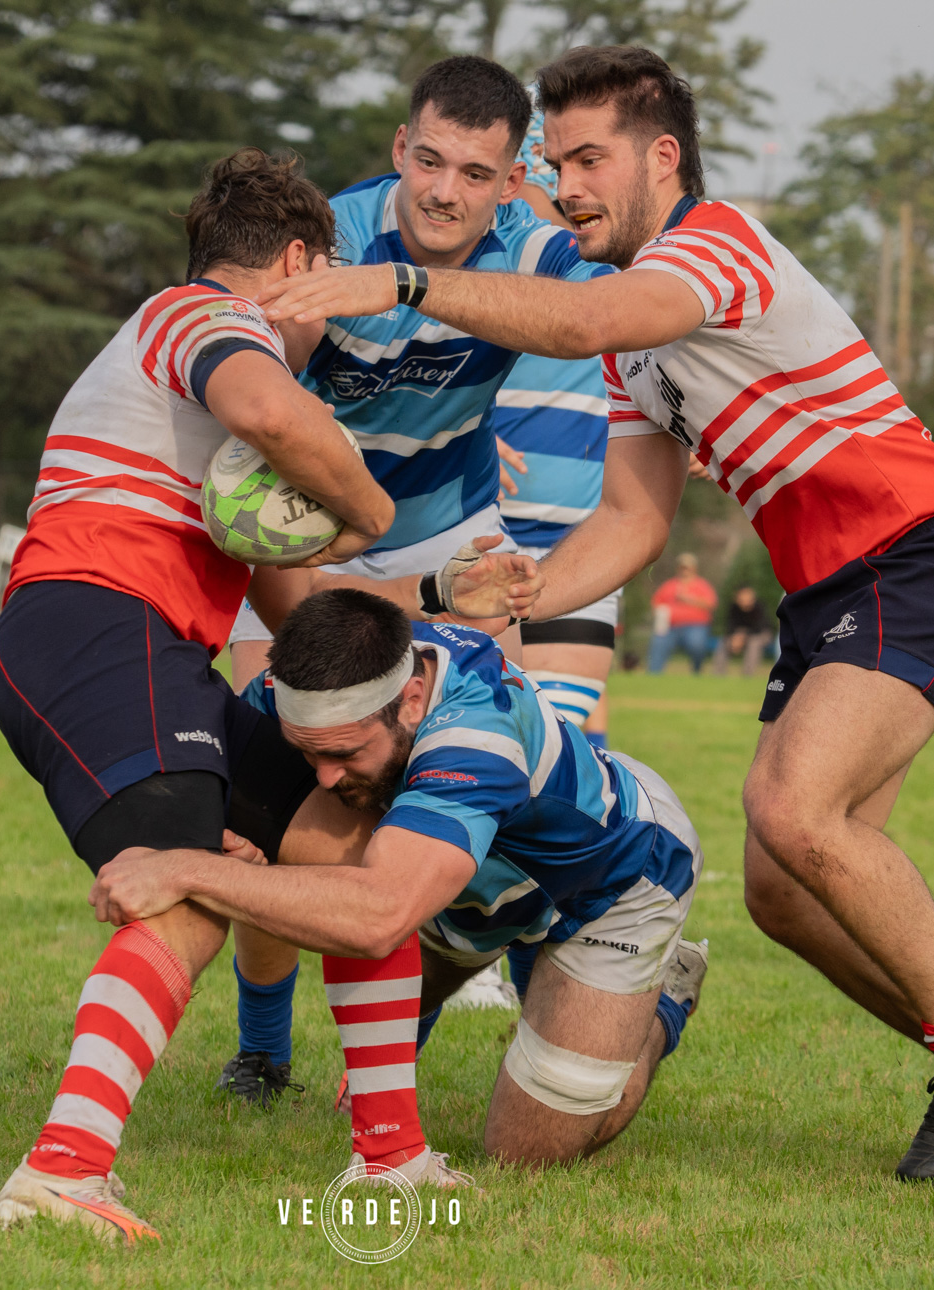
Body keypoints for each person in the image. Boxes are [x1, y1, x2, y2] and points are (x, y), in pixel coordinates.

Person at [261, 44, 934, 1180]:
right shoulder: (637, 349)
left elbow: (581, 321)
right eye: (555, 163)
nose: (567, 186)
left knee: (795, 810)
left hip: (920, 554)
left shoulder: (714, 247)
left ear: (664, 155)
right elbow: (632, 521)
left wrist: (402, 281)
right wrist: (519, 594)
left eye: (588, 158)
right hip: (830, 593)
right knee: (782, 894)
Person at [0, 148, 534, 1242]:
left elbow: (298, 609)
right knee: (186, 889)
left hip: (151, 648)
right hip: (94, 622)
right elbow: (289, 427)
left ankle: (393, 1159)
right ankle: (62, 1170)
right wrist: (373, 504)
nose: (326, 321)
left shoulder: (211, 412)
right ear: (293, 266)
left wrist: (432, 590)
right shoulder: (200, 318)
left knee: (342, 848)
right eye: (324, 286)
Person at [217, 55, 613, 1107]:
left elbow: (612, 322)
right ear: (400, 148)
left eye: (477, 174)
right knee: (279, 816)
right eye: (429, 160)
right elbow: (255, 382)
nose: (446, 190)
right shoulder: (332, 243)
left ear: (509, 178)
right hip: (312, 546)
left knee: (513, 782)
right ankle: (263, 1048)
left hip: (458, 542)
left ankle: (554, 1014)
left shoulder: (535, 250)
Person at [91, 589, 709, 1169]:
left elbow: (379, 914)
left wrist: (188, 870)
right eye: (308, 754)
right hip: (466, 884)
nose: (324, 778)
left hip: (614, 881)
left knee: (523, 1153)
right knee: (365, 1078)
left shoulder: (476, 735)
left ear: (413, 700)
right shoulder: (305, 684)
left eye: (345, 754)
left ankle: (664, 1004)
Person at [494, 101, 620, 750]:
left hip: (583, 539)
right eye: (552, 172)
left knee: (557, 751)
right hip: (472, 535)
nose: (570, 191)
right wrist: (457, 430)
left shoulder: (619, 263)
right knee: (486, 742)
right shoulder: (477, 260)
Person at [646, 553, 716, 673]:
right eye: (682, 567)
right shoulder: (669, 585)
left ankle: (697, 671)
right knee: (658, 642)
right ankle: (653, 675)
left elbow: (711, 604)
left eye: (687, 567)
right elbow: (656, 603)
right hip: (670, 627)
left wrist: (689, 599)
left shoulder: (702, 585)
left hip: (695, 626)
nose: (684, 571)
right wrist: (659, 613)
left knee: (697, 643)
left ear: (694, 568)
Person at [715, 583, 774, 677]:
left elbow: (760, 628)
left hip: (761, 635)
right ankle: (718, 673)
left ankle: (747, 675)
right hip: (739, 635)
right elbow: (729, 626)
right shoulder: (733, 607)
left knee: (754, 642)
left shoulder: (759, 607)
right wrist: (734, 637)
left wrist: (742, 636)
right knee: (724, 641)